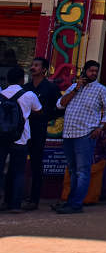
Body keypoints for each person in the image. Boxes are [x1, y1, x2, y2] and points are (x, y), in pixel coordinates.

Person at [54, 60, 106, 214]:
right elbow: (60, 104)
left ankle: (76, 204)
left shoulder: (101, 90)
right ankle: (70, 200)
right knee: (73, 170)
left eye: (96, 71)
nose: (93, 73)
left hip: (85, 135)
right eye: (91, 70)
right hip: (68, 133)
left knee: (82, 170)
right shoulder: (74, 87)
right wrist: (76, 88)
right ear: (84, 71)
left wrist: (100, 128)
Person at [21, 56, 60, 210]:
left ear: (44, 69)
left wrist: (45, 117)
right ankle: (17, 196)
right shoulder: (26, 88)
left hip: (39, 129)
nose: (33, 67)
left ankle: (34, 199)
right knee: (19, 162)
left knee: (36, 164)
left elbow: (59, 108)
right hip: (24, 130)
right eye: (32, 65)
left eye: (36, 65)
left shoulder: (50, 88)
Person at [1, 65, 42, 212]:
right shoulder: (29, 95)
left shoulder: (1, 94)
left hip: (2, 138)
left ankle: (2, 201)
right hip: (21, 138)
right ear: (22, 80)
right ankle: (15, 205)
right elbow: (38, 110)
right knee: (18, 172)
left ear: (7, 79)